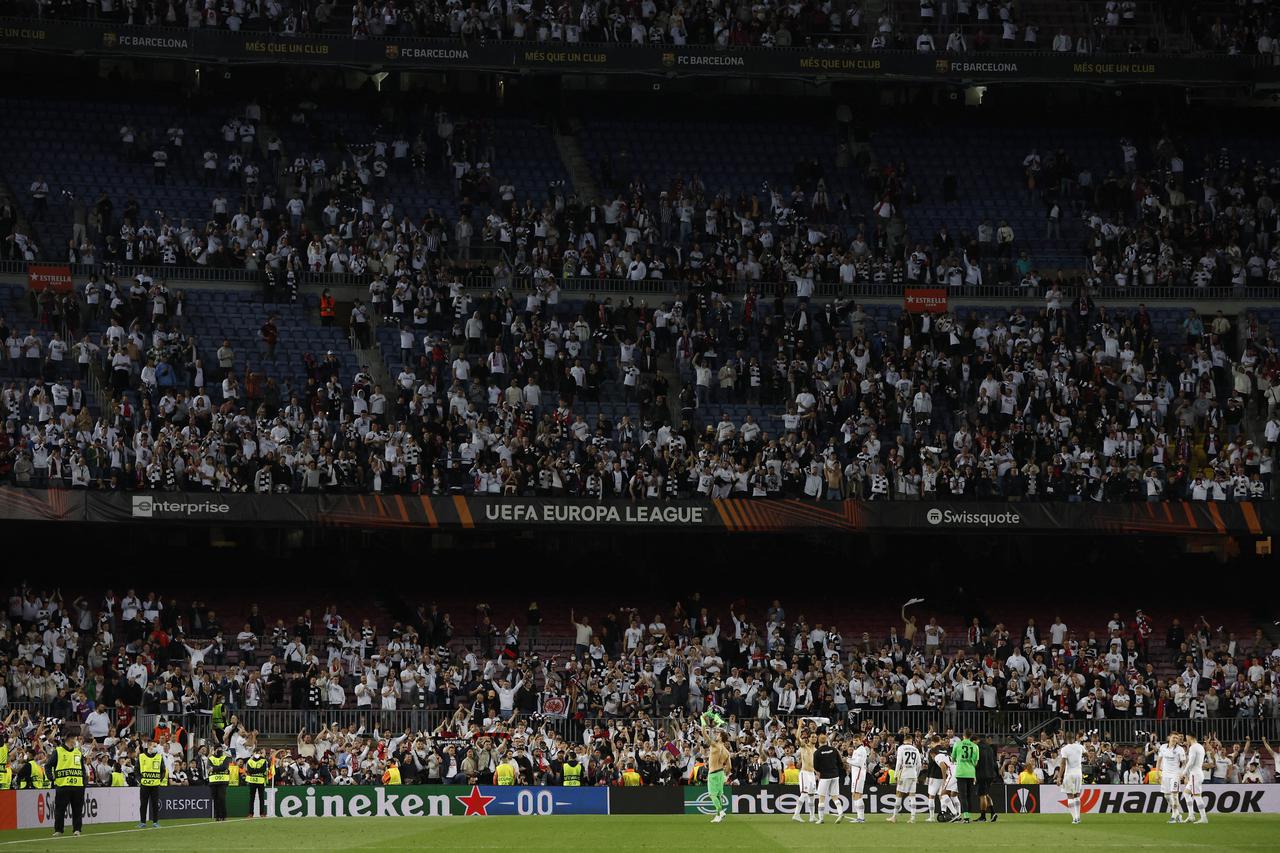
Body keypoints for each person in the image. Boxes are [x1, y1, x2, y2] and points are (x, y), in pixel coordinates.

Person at [49, 731, 85, 837]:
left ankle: (77, 829)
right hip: (63, 785)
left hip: (77, 786)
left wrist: (84, 783)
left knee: (77, 809)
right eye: (75, 738)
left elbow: (82, 769)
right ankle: (58, 830)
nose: (76, 741)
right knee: (60, 809)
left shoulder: (78, 752)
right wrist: (52, 778)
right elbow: (48, 765)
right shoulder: (58, 751)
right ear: (69, 739)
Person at [886, 735, 922, 823]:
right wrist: (916, 775)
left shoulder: (901, 748)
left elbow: (898, 763)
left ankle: (894, 817)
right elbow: (919, 765)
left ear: (904, 740)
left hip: (904, 773)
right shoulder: (916, 749)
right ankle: (913, 818)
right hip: (913, 774)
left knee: (899, 794)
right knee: (912, 796)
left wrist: (895, 774)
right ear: (911, 740)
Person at [811, 727, 843, 825]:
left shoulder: (817, 753)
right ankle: (840, 812)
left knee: (821, 798)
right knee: (835, 797)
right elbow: (840, 763)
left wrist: (821, 772)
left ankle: (821, 819)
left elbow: (815, 767)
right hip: (835, 775)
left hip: (825, 776)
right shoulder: (833, 750)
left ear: (818, 742)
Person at [1157, 732, 1187, 824]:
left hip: (1175, 774)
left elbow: (1184, 763)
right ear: (1169, 737)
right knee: (1166, 795)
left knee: (1174, 795)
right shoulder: (1162, 747)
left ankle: (1173, 816)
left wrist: (1184, 774)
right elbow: (1159, 760)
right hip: (1165, 774)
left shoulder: (1180, 749)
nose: (1175, 740)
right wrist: (1157, 773)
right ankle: (1178, 814)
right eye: (1174, 737)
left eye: (1177, 738)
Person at [1057, 730, 1085, 825]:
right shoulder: (1080, 747)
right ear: (1074, 737)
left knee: (1070, 796)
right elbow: (1087, 755)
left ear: (1066, 738)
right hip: (1078, 773)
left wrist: (1059, 777)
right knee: (1077, 795)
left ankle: (1074, 818)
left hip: (1069, 774)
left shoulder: (1064, 749)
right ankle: (1078, 817)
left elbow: (1063, 763)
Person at [791, 721, 817, 823]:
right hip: (804, 773)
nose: (814, 738)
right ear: (809, 738)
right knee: (804, 794)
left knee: (812, 796)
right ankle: (796, 814)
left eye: (815, 737)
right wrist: (799, 726)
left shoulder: (816, 750)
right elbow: (797, 737)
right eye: (812, 737)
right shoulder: (804, 746)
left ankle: (812, 816)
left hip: (812, 774)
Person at [706, 722, 732, 824]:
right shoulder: (727, 751)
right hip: (721, 773)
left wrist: (704, 727)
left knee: (712, 795)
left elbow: (706, 737)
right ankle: (718, 816)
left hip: (713, 773)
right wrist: (725, 776)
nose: (716, 735)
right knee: (718, 795)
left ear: (721, 737)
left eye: (718, 734)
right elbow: (729, 767)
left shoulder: (715, 745)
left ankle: (720, 812)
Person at [138, 737, 167, 828]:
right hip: (145, 785)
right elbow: (136, 770)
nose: (155, 748)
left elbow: (163, 770)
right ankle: (143, 822)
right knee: (143, 804)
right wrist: (140, 780)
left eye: (155, 746)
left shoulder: (159, 757)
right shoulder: (141, 756)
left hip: (155, 785)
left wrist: (160, 780)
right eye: (153, 746)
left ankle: (155, 822)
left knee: (155, 804)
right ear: (148, 746)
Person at [951, 730, 979, 823]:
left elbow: (953, 758)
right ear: (970, 736)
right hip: (971, 772)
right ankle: (969, 816)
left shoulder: (957, 744)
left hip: (961, 772)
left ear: (963, 735)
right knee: (969, 795)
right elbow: (975, 762)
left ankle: (966, 817)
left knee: (962, 795)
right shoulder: (975, 746)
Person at [843, 734, 870, 824]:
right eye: (854, 740)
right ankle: (859, 817)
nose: (855, 741)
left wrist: (847, 760)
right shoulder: (857, 750)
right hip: (856, 774)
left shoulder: (861, 750)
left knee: (857, 794)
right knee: (855, 794)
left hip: (859, 774)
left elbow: (859, 763)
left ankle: (861, 818)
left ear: (861, 740)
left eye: (857, 740)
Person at [1183, 732, 1208, 824]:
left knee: (1197, 796)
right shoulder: (1200, 746)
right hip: (1198, 773)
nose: (1186, 740)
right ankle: (1191, 816)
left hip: (1195, 775)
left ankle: (1204, 818)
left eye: (1186, 738)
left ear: (1190, 737)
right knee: (1186, 793)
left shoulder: (1193, 747)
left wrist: (1184, 772)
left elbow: (1191, 761)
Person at [975, 733, 999, 822]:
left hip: (981, 775)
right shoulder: (989, 748)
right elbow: (994, 763)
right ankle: (993, 813)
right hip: (990, 775)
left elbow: (976, 763)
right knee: (986, 793)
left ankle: (983, 816)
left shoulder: (977, 748)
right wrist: (995, 775)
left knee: (982, 795)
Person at [208, 744, 231, 821]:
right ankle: (217, 816)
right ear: (214, 750)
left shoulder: (225, 758)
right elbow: (209, 767)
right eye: (218, 749)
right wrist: (219, 768)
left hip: (222, 781)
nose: (220, 750)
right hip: (213, 782)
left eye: (221, 748)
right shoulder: (210, 758)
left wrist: (214, 769)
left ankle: (223, 815)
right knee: (215, 799)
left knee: (221, 798)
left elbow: (224, 767)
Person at [246, 747, 270, 817]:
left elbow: (262, 770)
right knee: (252, 798)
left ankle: (262, 813)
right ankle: (250, 813)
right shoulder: (249, 761)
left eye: (259, 753)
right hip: (252, 781)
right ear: (253, 753)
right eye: (256, 753)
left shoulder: (264, 761)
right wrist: (257, 770)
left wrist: (255, 770)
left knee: (261, 798)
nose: (257, 754)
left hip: (260, 781)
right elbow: (250, 771)